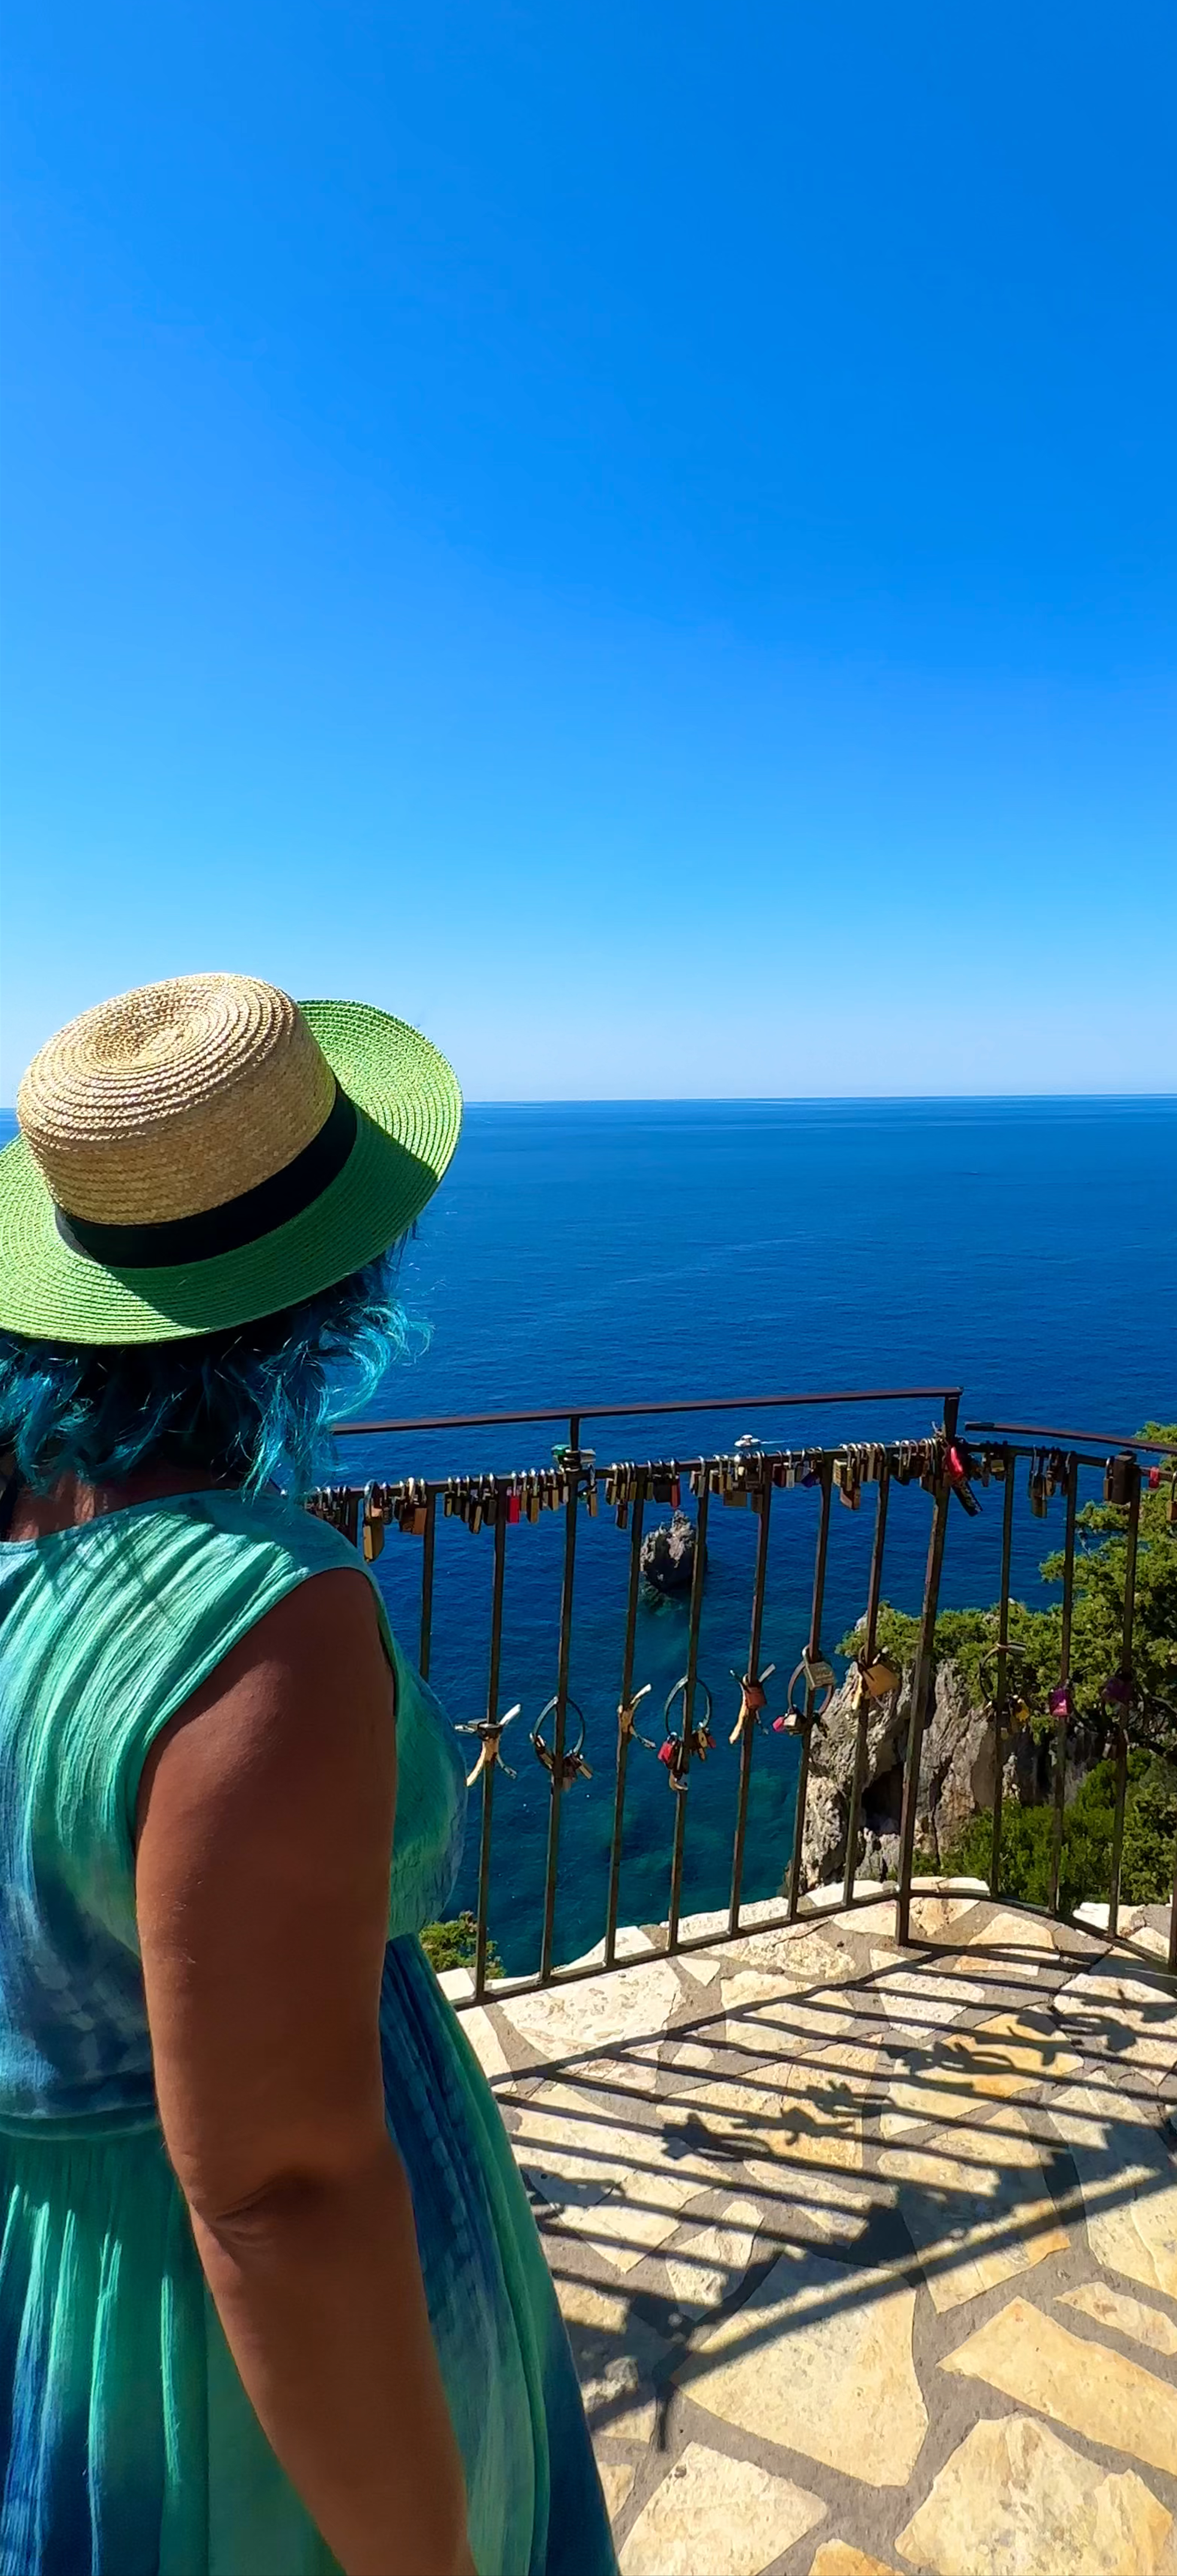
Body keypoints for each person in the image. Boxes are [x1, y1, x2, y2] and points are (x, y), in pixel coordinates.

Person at [0, 975, 616, 2576]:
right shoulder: (261, 1623)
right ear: (330, 1276)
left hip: (37, 2270)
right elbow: (276, 2189)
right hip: (194, 2344)